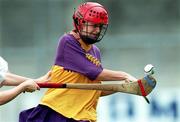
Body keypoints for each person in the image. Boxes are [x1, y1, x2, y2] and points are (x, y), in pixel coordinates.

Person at [19, 2, 137, 122]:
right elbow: (93, 72)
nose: (97, 30)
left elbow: (94, 90)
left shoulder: (95, 51)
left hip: (82, 117)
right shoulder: (68, 42)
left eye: (100, 26)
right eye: (94, 25)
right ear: (80, 23)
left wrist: (121, 87)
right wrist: (124, 75)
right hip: (59, 113)